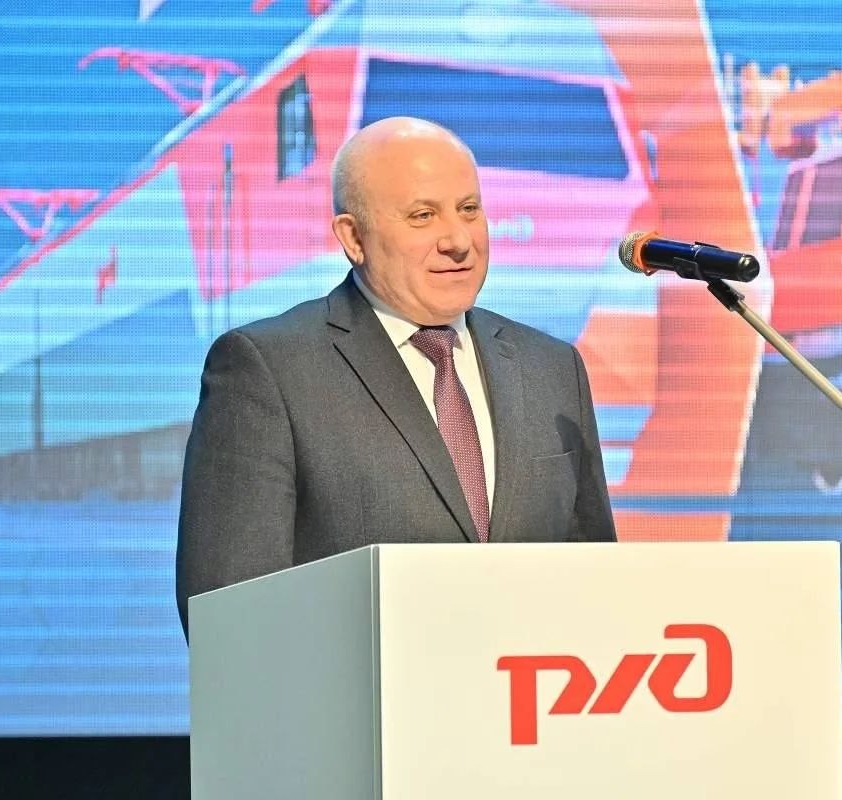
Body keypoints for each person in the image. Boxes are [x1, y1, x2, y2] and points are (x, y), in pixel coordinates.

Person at [175, 116, 616, 636]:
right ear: (353, 236)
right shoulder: (270, 370)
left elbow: (598, 586)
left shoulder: (552, 368)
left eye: (469, 209)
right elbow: (230, 618)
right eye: (423, 216)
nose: (458, 240)